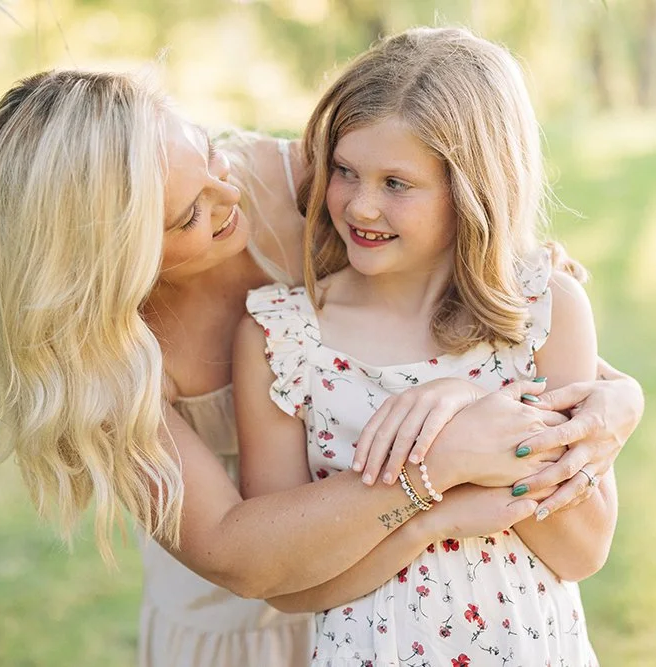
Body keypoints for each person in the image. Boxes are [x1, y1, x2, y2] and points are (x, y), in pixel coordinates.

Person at [0, 65, 642, 667]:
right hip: (243, 613)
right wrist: (432, 473)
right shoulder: (98, 363)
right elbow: (236, 553)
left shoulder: (300, 182)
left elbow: (483, 302)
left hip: (429, 593)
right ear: (108, 259)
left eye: (207, 155)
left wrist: (620, 396)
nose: (229, 200)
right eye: (189, 215)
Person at [235, 27, 615, 665]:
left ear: (471, 192)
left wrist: (470, 407)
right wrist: (432, 518)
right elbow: (289, 586)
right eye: (345, 171)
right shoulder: (283, 340)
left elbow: (582, 550)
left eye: (396, 184)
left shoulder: (544, 312)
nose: (360, 205)